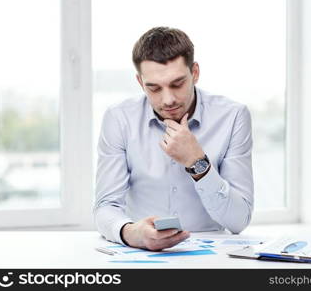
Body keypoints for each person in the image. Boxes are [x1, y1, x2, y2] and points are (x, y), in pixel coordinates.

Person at [94, 27, 254, 251]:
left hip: (211, 255)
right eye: (154, 88)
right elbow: (105, 206)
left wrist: (198, 162)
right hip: (140, 255)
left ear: (195, 73)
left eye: (177, 84)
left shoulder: (233, 116)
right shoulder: (119, 118)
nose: (168, 100)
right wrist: (131, 233)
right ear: (140, 82)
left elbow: (238, 221)